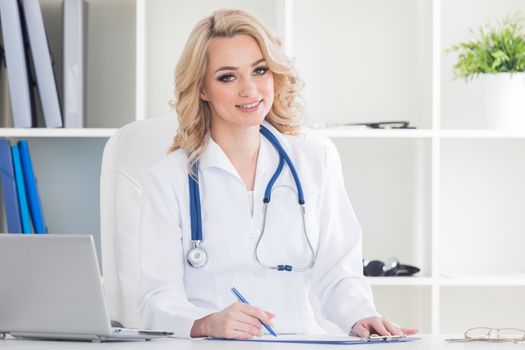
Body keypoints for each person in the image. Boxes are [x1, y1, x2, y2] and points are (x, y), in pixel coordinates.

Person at [138, 9, 418, 339]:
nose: (250, 89)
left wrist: (361, 315)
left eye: (260, 70)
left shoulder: (315, 159)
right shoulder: (169, 179)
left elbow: (339, 271)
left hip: (299, 341)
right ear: (201, 89)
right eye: (228, 76)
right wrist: (205, 322)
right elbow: (156, 298)